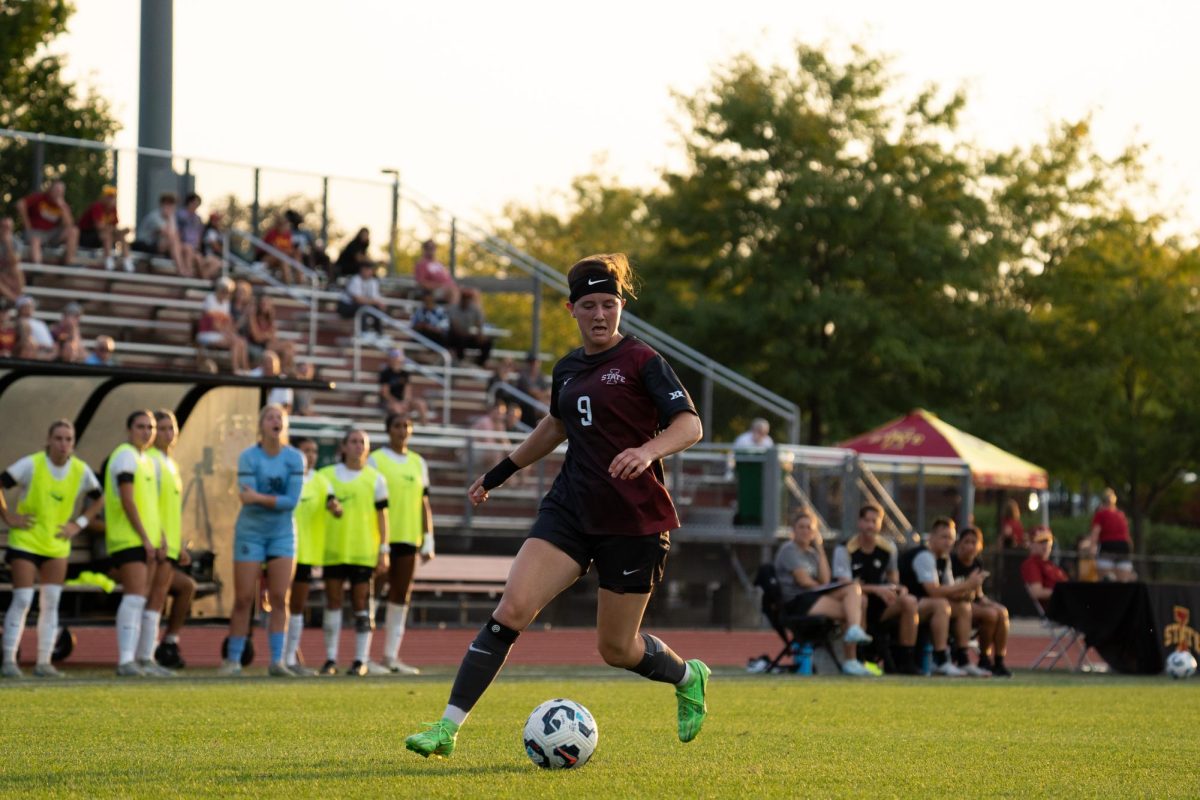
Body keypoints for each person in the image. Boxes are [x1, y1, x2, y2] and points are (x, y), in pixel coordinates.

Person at [404, 252, 709, 759]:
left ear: (619, 307)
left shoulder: (642, 360)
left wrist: (647, 450)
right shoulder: (567, 368)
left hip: (633, 520)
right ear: (571, 309)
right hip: (569, 509)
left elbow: (689, 425)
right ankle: (446, 728)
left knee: (617, 649)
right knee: (512, 609)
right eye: (588, 305)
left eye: (608, 304)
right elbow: (556, 426)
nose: (599, 314)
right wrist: (502, 471)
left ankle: (686, 674)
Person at [0, 420, 104, 678]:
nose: (63, 444)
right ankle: (9, 660)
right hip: (26, 540)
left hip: (57, 544)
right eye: (58, 438)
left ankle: (44, 662)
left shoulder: (81, 470)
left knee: (51, 602)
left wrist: (78, 524)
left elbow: (101, 497)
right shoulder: (32, 464)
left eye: (68, 439)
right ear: (48, 440)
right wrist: (7, 516)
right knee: (23, 598)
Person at [218, 404, 305, 677]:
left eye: (280, 417)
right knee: (244, 598)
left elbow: (291, 502)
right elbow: (246, 498)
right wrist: (266, 501)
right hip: (251, 533)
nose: (275, 421)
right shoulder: (248, 456)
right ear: (261, 425)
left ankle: (277, 661)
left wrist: (260, 498)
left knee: (280, 598)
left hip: (282, 534)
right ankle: (233, 660)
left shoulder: (294, 458)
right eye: (269, 417)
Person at [318, 428, 390, 676]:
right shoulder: (326, 476)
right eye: (354, 441)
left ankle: (360, 660)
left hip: (362, 551)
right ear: (344, 447)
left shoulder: (376, 479)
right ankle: (330, 659)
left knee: (361, 605)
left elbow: (383, 517)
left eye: (363, 442)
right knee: (333, 603)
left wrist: (384, 550)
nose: (358, 446)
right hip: (333, 549)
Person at [369, 415, 435, 674]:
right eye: (397, 425)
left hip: (409, 537)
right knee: (374, 594)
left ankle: (390, 657)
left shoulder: (418, 463)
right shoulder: (376, 459)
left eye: (406, 425)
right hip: (381, 539)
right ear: (388, 430)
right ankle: (363, 657)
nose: (402, 430)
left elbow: (424, 503)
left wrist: (428, 537)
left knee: (400, 596)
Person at [773, 509, 875, 675]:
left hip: (813, 596)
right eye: (801, 527)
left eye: (810, 528)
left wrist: (819, 548)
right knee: (854, 605)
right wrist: (821, 587)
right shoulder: (789, 550)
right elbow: (803, 581)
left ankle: (852, 651)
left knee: (857, 596)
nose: (806, 531)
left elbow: (826, 579)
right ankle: (852, 652)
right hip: (797, 602)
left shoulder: (812, 553)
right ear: (793, 529)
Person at [105, 410, 167, 677]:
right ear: (129, 429)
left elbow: (150, 503)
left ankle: (144, 658)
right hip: (128, 538)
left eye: (150, 427)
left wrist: (159, 536)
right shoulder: (125, 456)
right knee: (133, 598)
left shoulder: (147, 460)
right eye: (141, 426)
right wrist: (143, 536)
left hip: (147, 540)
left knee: (141, 599)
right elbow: (128, 501)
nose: (146, 431)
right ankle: (125, 660)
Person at [832, 503, 920, 674]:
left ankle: (906, 660)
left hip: (881, 604)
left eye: (875, 521)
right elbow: (846, 585)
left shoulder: (888, 548)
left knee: (909, 601)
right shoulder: (845, 549)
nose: (870, 525)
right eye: (867, 520)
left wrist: (897, 590)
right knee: (861, 599)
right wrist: (876, 589)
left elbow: (894, 581)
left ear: (880, 524)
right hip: (854, 602)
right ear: (859, 522)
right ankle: (859, 658)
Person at [897, 518, 991, 677]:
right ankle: (940, 660)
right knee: (941, 605)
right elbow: (933, 591)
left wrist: (968, 593)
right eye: (944, 537)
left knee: (963, 607)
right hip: (906, 604)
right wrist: (967, 584)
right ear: (932, 537)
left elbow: (951, 590)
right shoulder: (924, 556)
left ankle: (963, 659)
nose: (948, 542)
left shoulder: (944, 559)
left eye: (951, 538)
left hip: (924, 605)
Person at [139, 410, 189, 673]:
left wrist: (178, 544)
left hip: (169, 543)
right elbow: (149, 504)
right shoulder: (152, 461)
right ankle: (143, 656)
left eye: (172, 428)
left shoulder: (171, 464)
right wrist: (157, 535)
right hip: (157, 542)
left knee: (158, 597)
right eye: (163, 428)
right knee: (152, 597)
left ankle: (149, 654)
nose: (168, 433)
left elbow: (171, 508)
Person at [283, 436, 333, 675]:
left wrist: (336, 508)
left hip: (305, 553)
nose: (310, 456)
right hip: (281, 549)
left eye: (313, 451)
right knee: (275, 603)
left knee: (296, 606)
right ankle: (280, 657)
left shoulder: (322, 481)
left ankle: (290, 658)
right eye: (305, 451)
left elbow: (333, 505)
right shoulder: (287, 476)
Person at [950, 526, 1012, 677]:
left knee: (1001, 612)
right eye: (967, 542)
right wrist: (967, 586)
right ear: (959, 544)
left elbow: (978, 594)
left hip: (972, 602)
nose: (970, 546)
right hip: (957, 604)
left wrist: (987, 601)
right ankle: (983, 657)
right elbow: (951, 591)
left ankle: (998, 660)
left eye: (974, 542)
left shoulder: (977, 563)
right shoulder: (951, 562)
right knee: (990, 614)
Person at [17, 180, 78, 265]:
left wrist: (63, 207)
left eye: (60, 191)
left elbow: (69, 225)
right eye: (56, 190)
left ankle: (68, 262)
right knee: (36, 240)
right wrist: (27, 225)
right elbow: (20, 204)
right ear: (50, 189)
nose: (58, 193)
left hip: (51, 234)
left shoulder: (63, 206)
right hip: (35, 232)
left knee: (73, 231)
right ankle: (37, 266)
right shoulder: (39, 198)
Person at [196, 277, 249, 373]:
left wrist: (230, 333)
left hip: (219, 333)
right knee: (235, 342)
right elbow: (214, 324)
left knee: (242, 342)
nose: (227, 294)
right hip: (207, 334)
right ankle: (236, 369)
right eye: (225, 291)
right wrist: (229, 334)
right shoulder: (210, 299)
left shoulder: (226, 303)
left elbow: (227, 322)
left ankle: (245, 369)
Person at [78, 185, 134, 272]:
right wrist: (117, 230)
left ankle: (127, 261)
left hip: (99, 237)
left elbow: (113, 226)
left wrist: (121, 231)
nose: (111, 200)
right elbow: (99, 226)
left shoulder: (113, 209)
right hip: (85, 236)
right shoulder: (97, 206)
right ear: (103, 197)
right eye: (109, 197)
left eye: (112, 197)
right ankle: (108, 261)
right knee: (107, 235)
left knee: (121, 236)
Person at [133, 193, 190, 276]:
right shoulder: (155, 216)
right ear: (162, 204)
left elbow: (176, 235)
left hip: (161, 244)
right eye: (168, 204)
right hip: (145, 244)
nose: (170, 207)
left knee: (188, 248)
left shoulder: (171, 217)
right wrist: (170, 218)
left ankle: (188, 271)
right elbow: (168, 233)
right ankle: (180, 270)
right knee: (173, 242)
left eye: (172, 204)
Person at [1087, 488, 1134, 582]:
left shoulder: (1100, 514)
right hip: (1123, 548)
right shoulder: (1121, 515)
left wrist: (1092, 549)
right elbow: (1127, 536)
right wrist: (1131, 551)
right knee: (1123, 583)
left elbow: (1095, 532)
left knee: (1106, 583)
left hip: (1107, 548)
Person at [1021, 526, 1069, 609]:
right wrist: (1064, 592)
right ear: (1031, 543)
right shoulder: (1032, 563)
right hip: (1056, 610)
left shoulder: (1050, 564)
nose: (1046, 544)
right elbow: (1036, 592)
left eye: (1048, 540)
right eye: (1041, 541)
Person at [338, 260, 388, 341]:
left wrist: (379, 304)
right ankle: (363, 333)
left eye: (370, 270)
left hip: (361, 306)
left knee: (376, 309)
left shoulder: (373, 282)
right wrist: (375, 302)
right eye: (367, 269)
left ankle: (379, 334)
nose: (369, 272)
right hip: (346, 307)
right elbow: (358, 299)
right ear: (362, 270)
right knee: (363, 308)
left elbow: (375, 298)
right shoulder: (355, 280)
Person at [176, 193, 221, 279]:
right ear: (189, 202)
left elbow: (199, 236)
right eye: (194, 203)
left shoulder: (198, 218)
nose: (196, 206)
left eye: (197, 204)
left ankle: (201, 279)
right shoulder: (180, 215)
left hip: (195, 249)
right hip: (183, 246)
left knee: (215, 262)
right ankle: (189, 276)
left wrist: (198, 248)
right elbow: (177, 232)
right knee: (193, 254)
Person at [378, 348, 430, 423]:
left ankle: (424, 426)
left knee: (420, 404)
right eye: (394, 355)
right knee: (397, 408)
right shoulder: (385, 373)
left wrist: (405, 402)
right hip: (390, 402)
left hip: (402, 401)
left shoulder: (405, 374)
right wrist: (397, 403)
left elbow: (407, 391)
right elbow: (385, 393)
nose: (395, 358)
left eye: (397, 355)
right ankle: (401, 428)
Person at [447, 288, 493, 365]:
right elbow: (455, 327)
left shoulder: (474, 309)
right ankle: (460, 361)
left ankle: (481, 363)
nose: (466, 301)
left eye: (468, 298)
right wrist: (468, 334)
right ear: (461, 299)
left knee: (487, 342)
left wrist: (480, 335)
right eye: (464, 298)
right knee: (460, 339)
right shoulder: (454, 309)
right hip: (454, 336)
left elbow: (479, 324)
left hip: (467, 335)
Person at [413, 239, 460, 304]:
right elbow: (421, 283)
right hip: (433, 291)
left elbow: (447, 278)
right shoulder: (421, 264)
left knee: (472, 293)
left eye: (433, 247)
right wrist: (440, 285)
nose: (431, 249)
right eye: (429, 247)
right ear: (424, 249)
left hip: (450, 287)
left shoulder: (439, 264)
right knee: (453, 292)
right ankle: (453, 313)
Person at [513, 353, 551, 427]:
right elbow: (532, 391)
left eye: (536, 362)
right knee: (544, 407)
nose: (534, 365)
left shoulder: (540, 376)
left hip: (537, 404)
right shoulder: (523, 376)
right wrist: (543, 395)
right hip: (525, 404)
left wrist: (543, 395)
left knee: (547, 406)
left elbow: (549, 392)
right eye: (531, 362)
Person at [262, 215, 297, 285]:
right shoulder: (272, 233)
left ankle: (299, 281)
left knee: (297, 255)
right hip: (266, 258)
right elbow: (273, 250)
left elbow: (290, 250)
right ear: (279, 225)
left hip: (282, 258)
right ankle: (288, 284)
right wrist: (286, 251)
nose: (286, 228)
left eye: (287, 226)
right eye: (284, 226)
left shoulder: (287, 235)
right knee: (282, 258)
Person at [0, 217, 25, 305]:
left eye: (8, 227)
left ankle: (18, 298)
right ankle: (17, 300)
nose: (6, 230)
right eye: (4, 227)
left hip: (8, 273)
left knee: (16, 269)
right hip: (2, 274)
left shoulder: (16, 242)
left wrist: (8, 244)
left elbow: (14, 261)